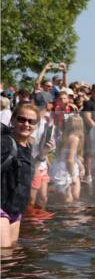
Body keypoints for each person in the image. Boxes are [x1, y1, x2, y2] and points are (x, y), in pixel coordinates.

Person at [1, 103, 41, 248]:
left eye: (31, 121)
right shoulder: (5, 143)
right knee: (5, 252)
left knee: (11, 252)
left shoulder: (28, 146)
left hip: (15, 210)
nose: (26, 124)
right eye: (21, 119)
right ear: (12, 120)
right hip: (1, 207)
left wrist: (42, 155)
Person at [50, 114, 84, 204]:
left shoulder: (63, 136)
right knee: (70, 199)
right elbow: (70, 159)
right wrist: (73, 176)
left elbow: (68, 155)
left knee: (70, 197)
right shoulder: (75, 138)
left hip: (60, 167)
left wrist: (81, 166)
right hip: (67, 169)